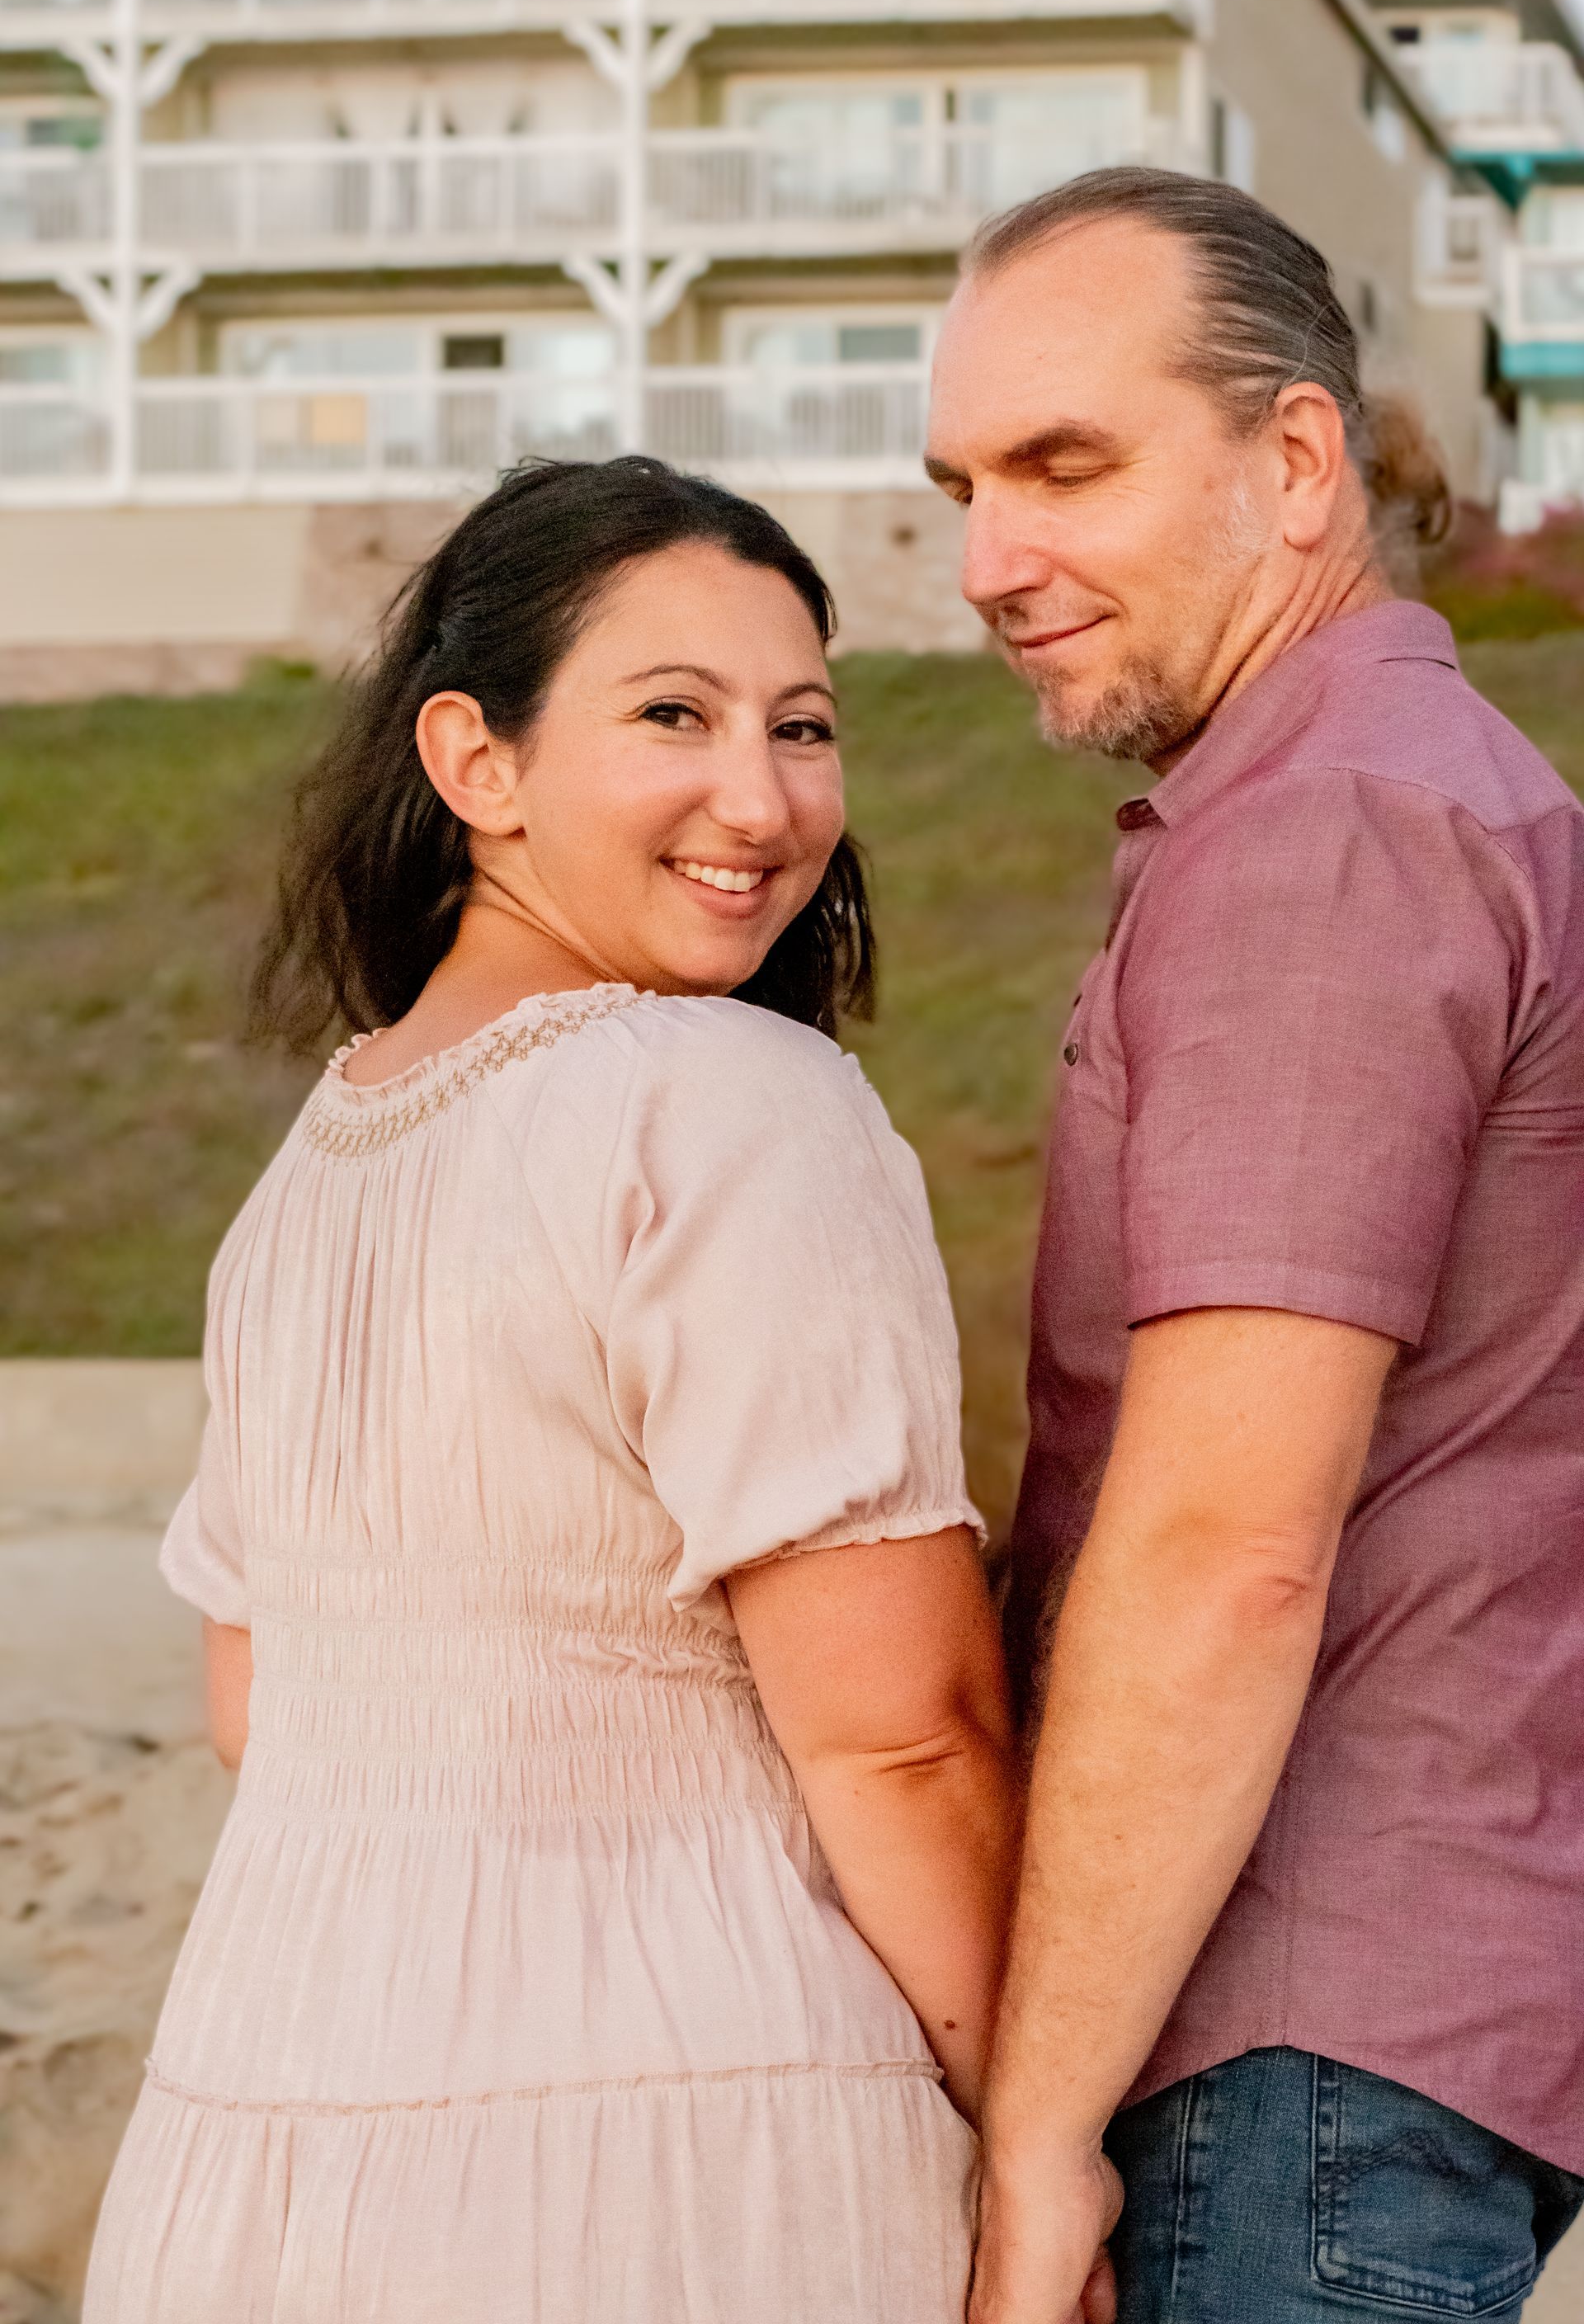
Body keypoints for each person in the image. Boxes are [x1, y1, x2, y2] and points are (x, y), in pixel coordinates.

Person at [84, 458, 1019, 2322]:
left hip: (257, 2156)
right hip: (686, 2160)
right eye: (673, 714)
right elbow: (903, 1736)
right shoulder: (729, 1101)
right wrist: (1047, 2124)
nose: (759, 799)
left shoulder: (305, 1185)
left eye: (804, 725)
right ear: (477, 763)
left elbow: (255, 1698)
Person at [924, 167, 1584, 2324]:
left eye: (1064, 469)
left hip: (1291, 2048)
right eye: (961, 486)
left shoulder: (1331, 837)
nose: (987, 562)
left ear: (1294, 463)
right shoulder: (1437, 788)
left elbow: (1229, 1548)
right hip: (1380, 2040)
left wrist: (1034, 2136)